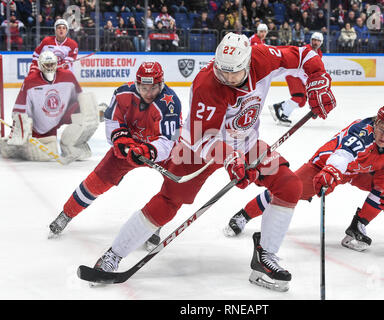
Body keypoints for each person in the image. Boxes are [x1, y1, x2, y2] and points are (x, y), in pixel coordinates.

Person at [86, 33, 336, 292]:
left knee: (289, 185)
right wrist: (229, 158)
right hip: (197, 149)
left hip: (247, 145)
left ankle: (265, 257)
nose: (227, 78)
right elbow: (201, 137)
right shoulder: (207, 84)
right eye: (222, 71)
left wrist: (317, 80)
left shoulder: (262, 58)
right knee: (170, 201)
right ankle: (113, 255)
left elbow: (305, 54)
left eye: (234, 74)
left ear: (248, 63)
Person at [224, 102, 384, 252]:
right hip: (327, 167)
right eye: (381, 129)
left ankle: (358, 226)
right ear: (375, 122)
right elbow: (344, 154)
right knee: (288, 189)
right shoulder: (362, 131)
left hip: (362, 172)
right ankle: (244, 215)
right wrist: (332, 171)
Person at [48, 62, 182, 248]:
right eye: (144, 88)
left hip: (157, 149)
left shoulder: (171, 103)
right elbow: (112, 121)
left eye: (153, 88)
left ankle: (155, 224)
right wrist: (121, 141)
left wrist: (148, 151)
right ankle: (67, 213)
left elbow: (168, 141)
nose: (148, 93)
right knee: (98, 179)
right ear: (137, 84)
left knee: (175, 188)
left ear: (162, 85)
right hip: (130, 146)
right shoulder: (122, 94)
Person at [0, 51, 98, 162]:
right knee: (47, 154)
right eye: (47, 64)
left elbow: (80, 99)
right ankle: (12, 148)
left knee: (88, 101)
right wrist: (21, 129)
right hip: (41, 126)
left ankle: (74, 146)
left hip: (62, 115)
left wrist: (93, 112)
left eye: (52, 64)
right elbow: (19, 110)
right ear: (40, 65)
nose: (50, 67)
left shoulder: (68, 76)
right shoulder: (31, 81)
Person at [269, 32, 324, 126]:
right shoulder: (307, 50)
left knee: (302, 102)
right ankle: (283, 117)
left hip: (301, 77)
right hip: (294, 75)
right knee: (298, 97)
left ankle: (279, 106)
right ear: (311, 41)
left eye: (318, 41)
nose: (315, 42)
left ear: (321, 42)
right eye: (314, 40)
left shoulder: (319, 54)